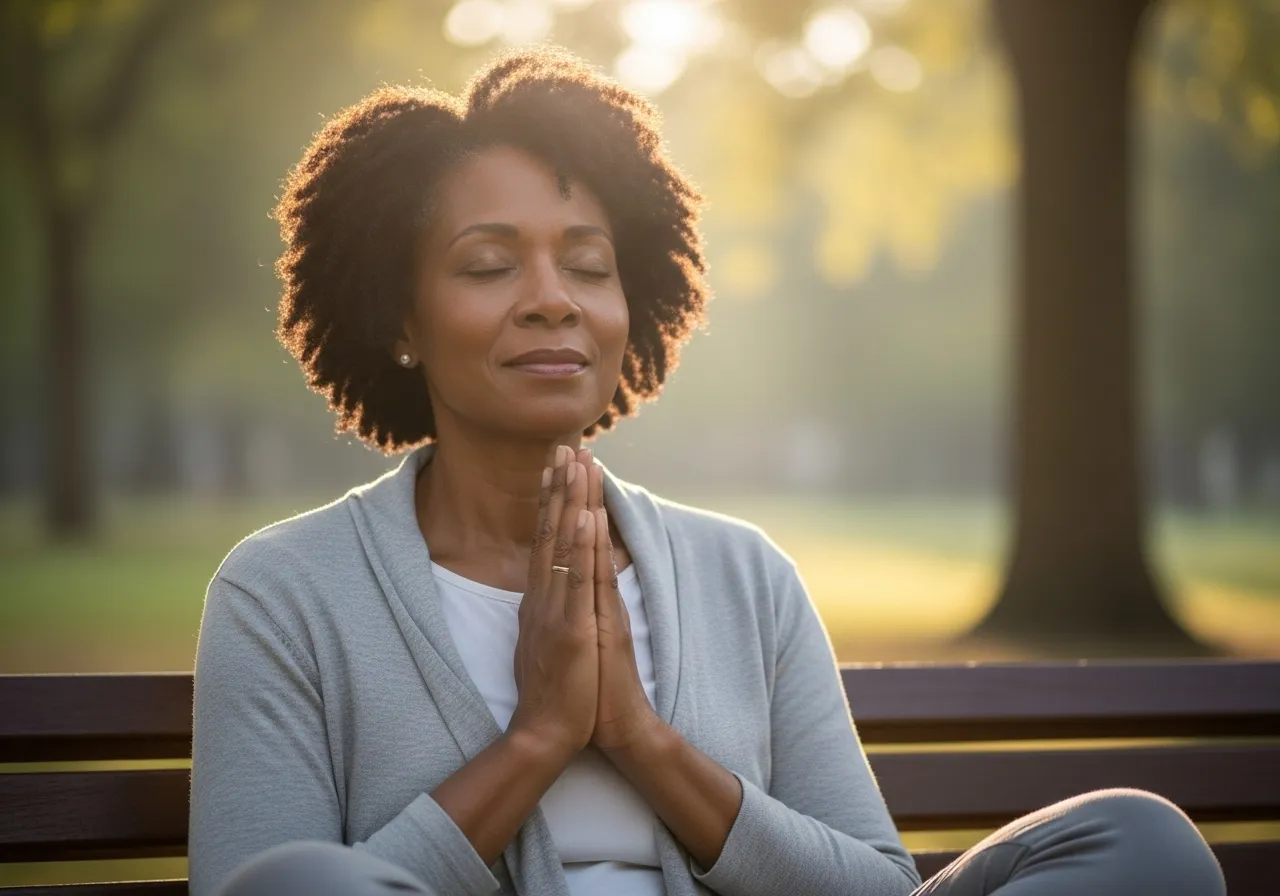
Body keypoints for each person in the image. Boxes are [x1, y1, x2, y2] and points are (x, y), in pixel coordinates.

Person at [188, 47, 1226, 896]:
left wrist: (640, 737)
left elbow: (874, 888)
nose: (553, 299)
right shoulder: (287, 593)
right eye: (488, 263)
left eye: (588, 265)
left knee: (1140, 845)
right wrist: (538, 736)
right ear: (399, 319)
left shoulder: (741, 574)